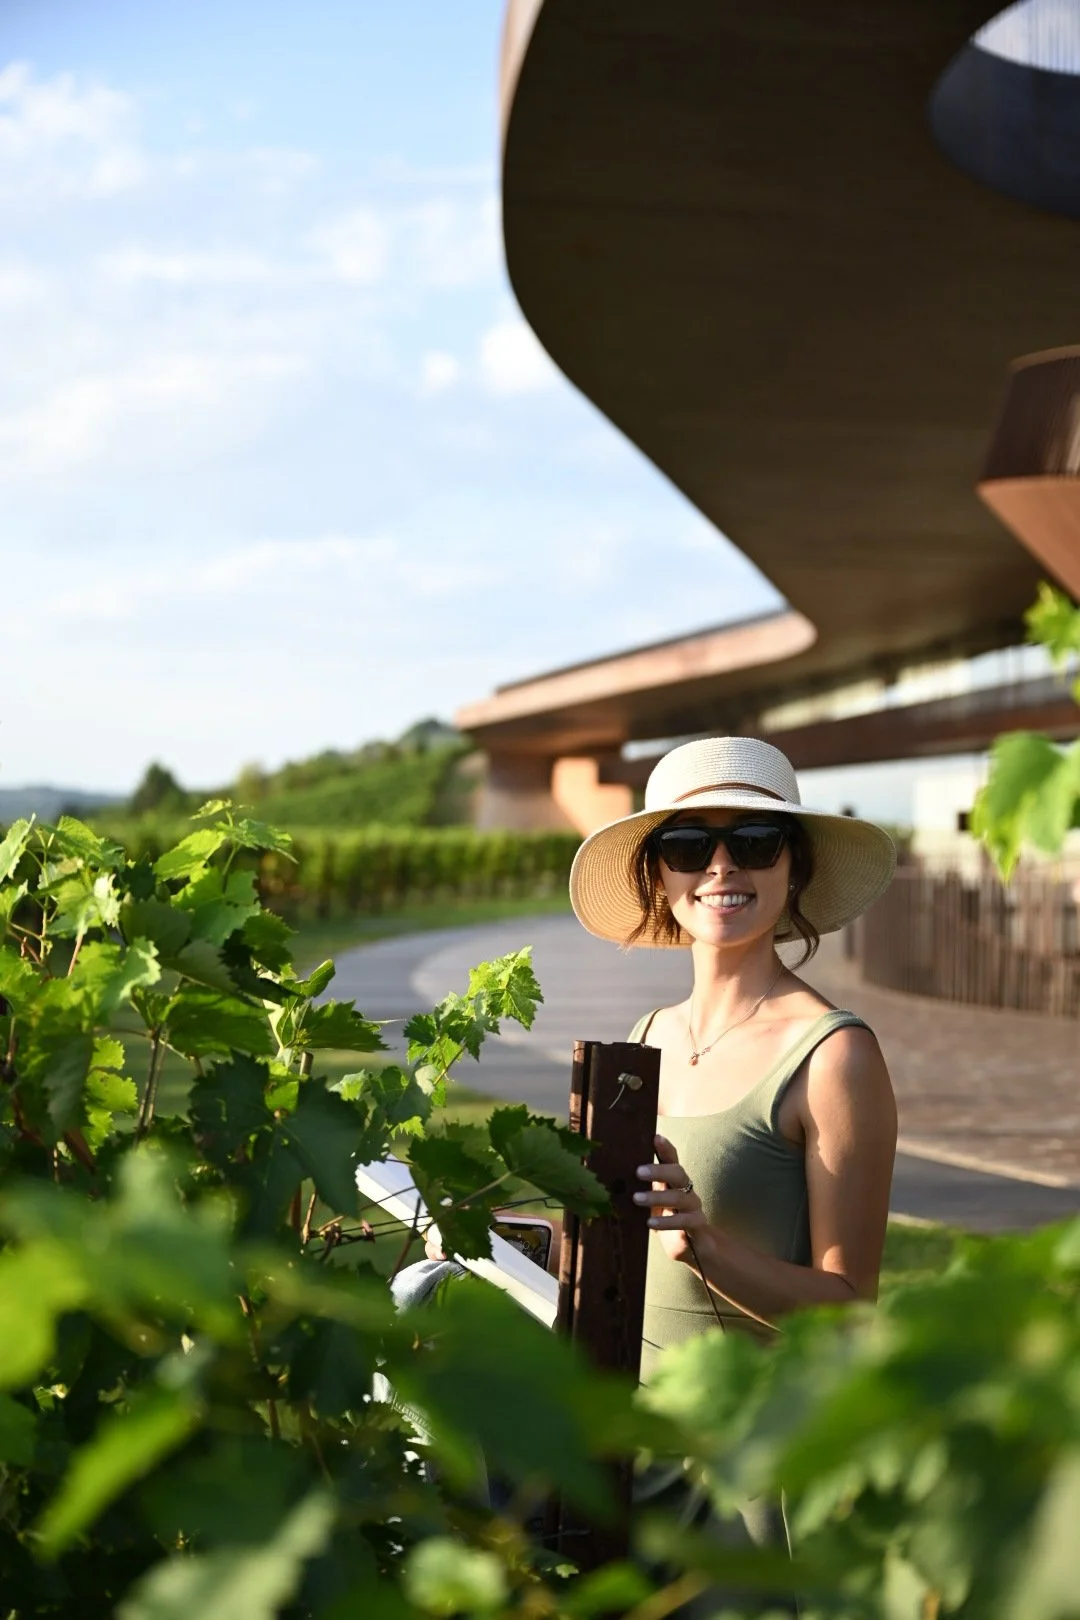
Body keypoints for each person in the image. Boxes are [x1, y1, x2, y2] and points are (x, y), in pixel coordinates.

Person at [568, 735, 898, 1591]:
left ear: (795, 867)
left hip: (747, 1472)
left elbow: (847, 1311)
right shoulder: (644, 1041)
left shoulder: (833, 1056)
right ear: (659, 877)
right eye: (688, 845)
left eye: (753, 840)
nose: (721, 866)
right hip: (631, 1449)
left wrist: (705, 1245)